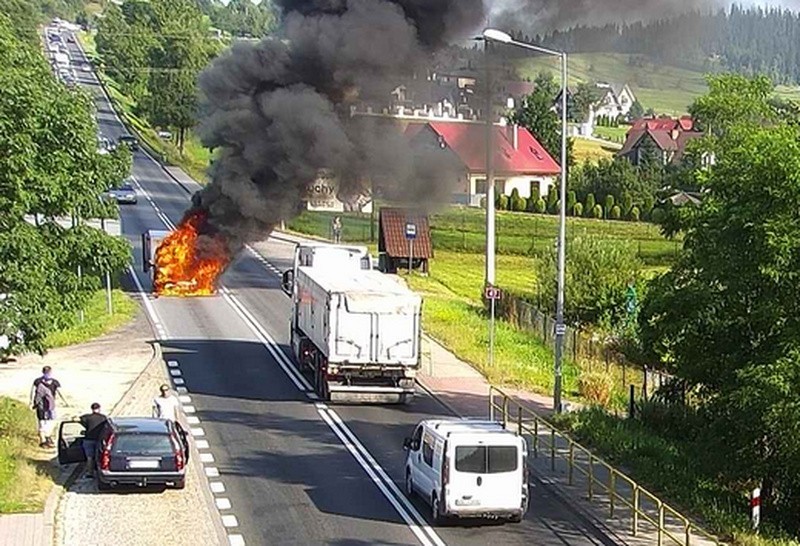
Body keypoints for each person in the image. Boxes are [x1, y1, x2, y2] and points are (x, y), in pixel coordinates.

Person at [30, 366, 66, 448]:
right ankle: (44, 439)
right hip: (42, 405)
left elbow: (60, 392)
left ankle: (45, 437)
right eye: (47, 372)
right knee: (44, 422)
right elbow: (32, 392)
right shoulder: (38, 381)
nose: (48, 374)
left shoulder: (53, 382)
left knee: (50, 422)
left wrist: (65, 401)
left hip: (49, 405)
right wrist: (32, 402)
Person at [79, 403, 107, 478]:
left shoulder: (87, 417)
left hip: (88, 440)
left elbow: (80, 419)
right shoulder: (103, 418)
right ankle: (100, 471)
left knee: (89, 457)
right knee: (100, 456)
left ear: (92, 409)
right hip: (99, 439)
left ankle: (90, 473)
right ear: (99, 408)